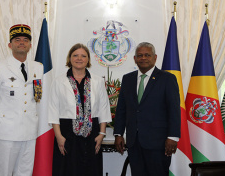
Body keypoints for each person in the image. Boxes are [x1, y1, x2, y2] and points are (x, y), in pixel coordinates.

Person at [0, 24, 43, 176]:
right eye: (17, 40)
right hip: (7, 131)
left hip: (29, 130)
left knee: (25, 172)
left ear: (30, 45)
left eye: (25, 40)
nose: (21, 42)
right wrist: (1, 119)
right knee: (5, 172)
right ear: (10, 45)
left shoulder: (38, 67)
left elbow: (37, 97)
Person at [113, 42, 181, 176]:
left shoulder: (167, 79)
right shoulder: (128, 79)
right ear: (135, 59)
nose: (143, 58)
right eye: (140, 55)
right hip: (134, 142)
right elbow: (122, 108)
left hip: (159, 142)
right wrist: (118, 134)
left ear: (155, 58)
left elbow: (174, 110)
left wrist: (173, 137)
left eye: (147, 55)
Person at [48, 43, 112, 176]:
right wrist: (58, 136)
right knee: (67, 169)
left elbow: (103, 108)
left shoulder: (98, 81)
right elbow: (53, 109)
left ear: (88, 59)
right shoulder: (59, 81)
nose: (79, 58)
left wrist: (101, 134)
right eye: (75, 55)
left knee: (91, 169)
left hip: (92, 133)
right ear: (69, 58)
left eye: (83, 56)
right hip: (66, 132)